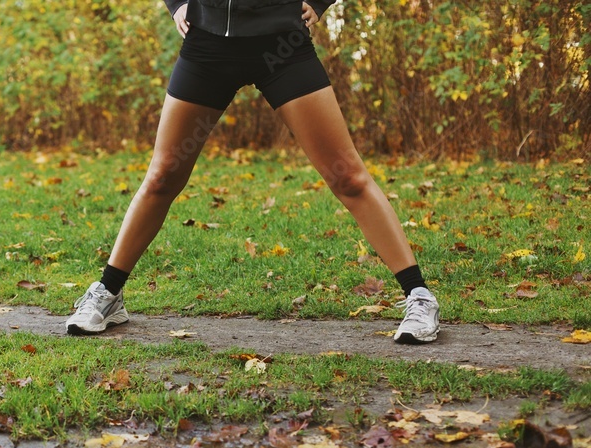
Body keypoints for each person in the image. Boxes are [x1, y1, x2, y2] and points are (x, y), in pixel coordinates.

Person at [66, 0, 440, 344]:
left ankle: (419, 295)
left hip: (282, 43)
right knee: (164, 174)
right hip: (208, 45)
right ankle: (108, 293)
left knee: (348, 177)